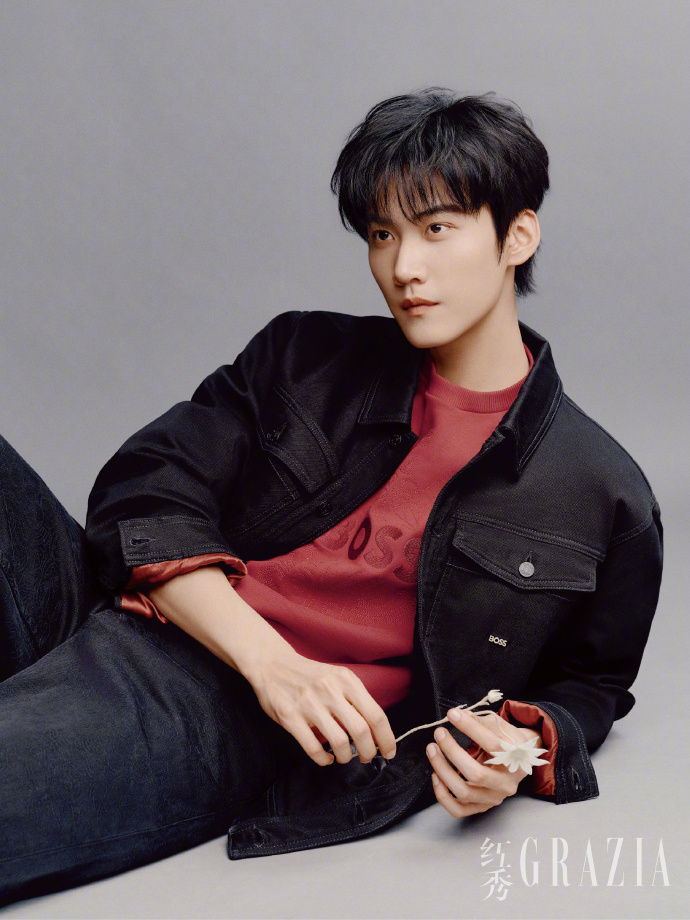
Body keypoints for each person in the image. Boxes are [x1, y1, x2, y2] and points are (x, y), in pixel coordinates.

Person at [0, 89, 663, 904]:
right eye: (382, 234)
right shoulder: (303, 354)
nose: (403, 267)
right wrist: (273, 661)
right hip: (143, 606)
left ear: (517, 236)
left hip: (214, 708)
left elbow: (591, 686)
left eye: (436, 229)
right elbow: (146, 487)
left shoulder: (601, 490)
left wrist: (513, 757)